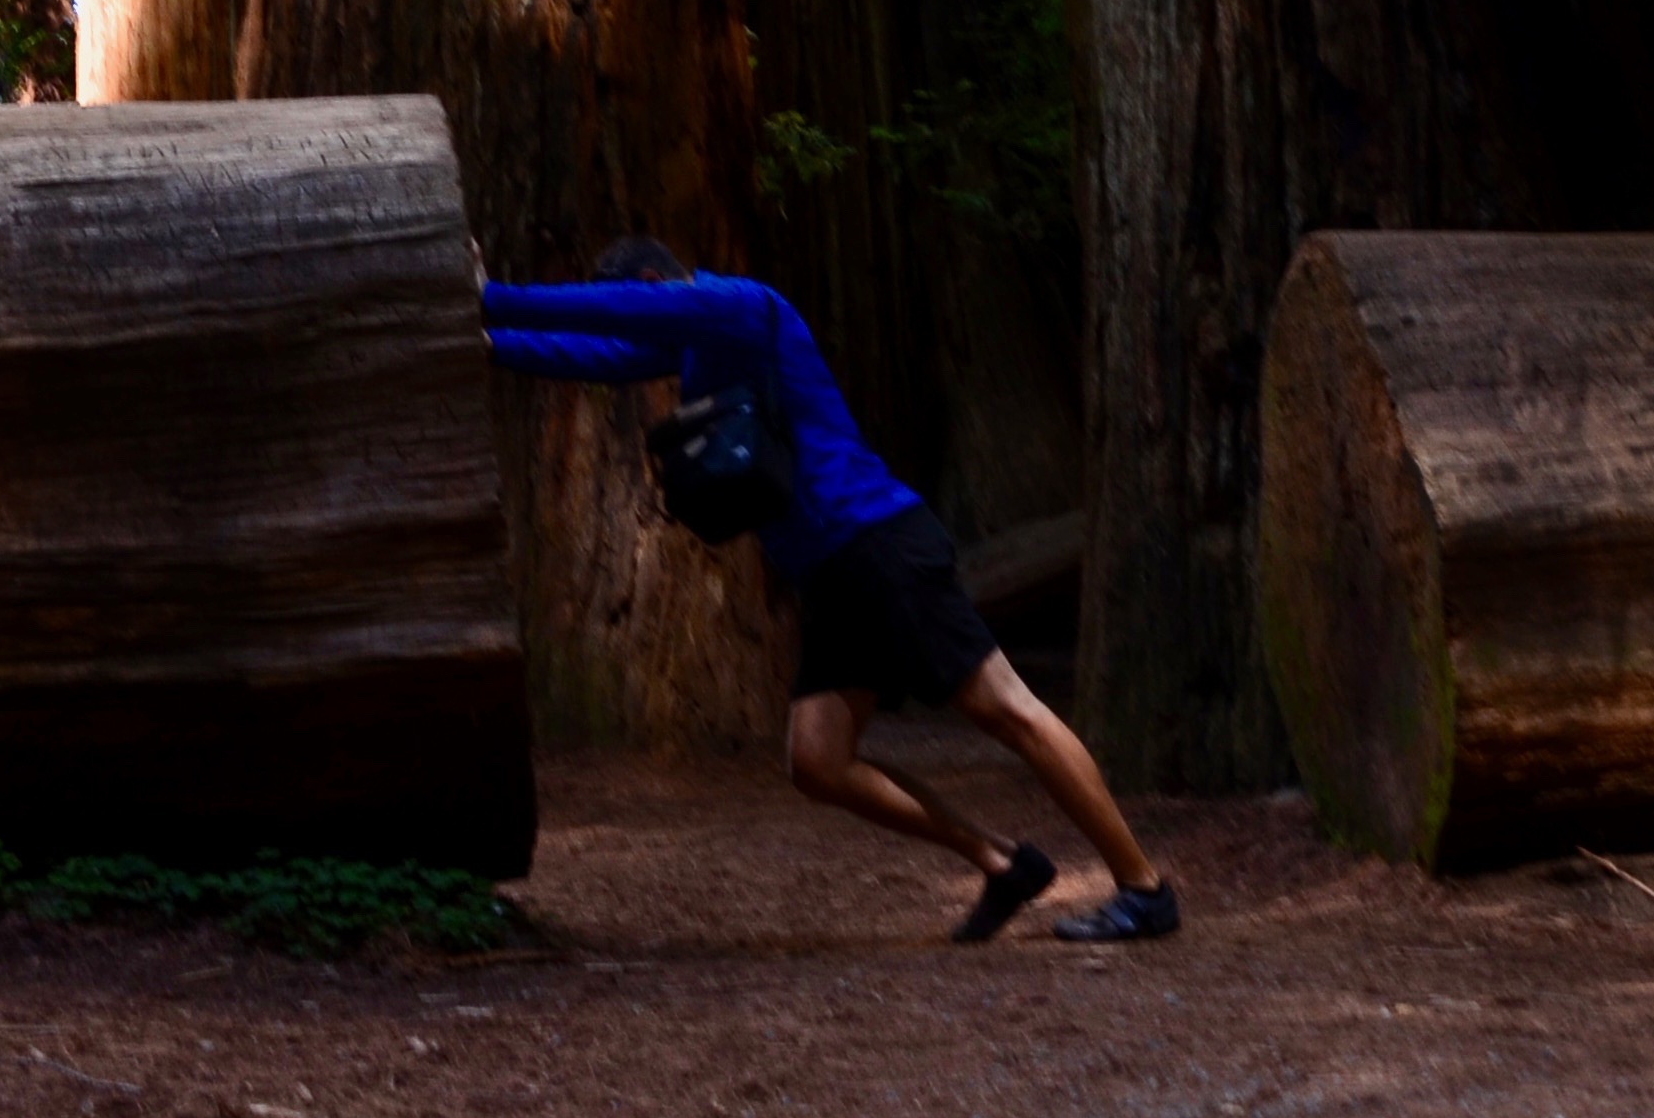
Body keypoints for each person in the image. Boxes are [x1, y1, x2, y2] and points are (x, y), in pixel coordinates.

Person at [481, 250, 1178, 944]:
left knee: (1011, 712)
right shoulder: (697, 344)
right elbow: (595, 355)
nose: (640, 319)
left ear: (654, 286)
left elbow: (611, 315)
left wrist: (492, 296)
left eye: (643, 304)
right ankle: (1002, 862)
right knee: (819, 761)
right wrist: (486, 339)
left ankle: (1143, 889)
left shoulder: (740, 306)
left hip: (878, 544)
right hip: (834, 573)